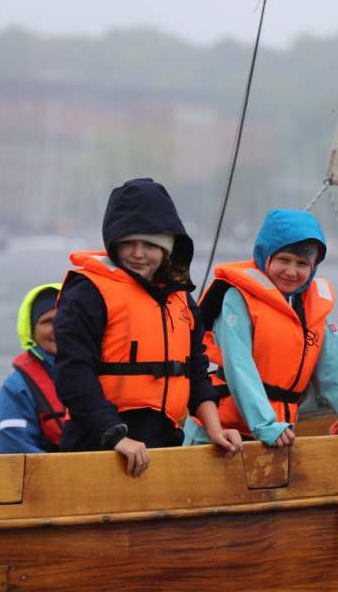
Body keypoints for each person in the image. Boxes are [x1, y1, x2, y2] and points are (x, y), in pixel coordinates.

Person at [54, 177, 242, 477]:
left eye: (150, 244)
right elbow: (72, 372)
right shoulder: (87, 292)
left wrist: (216, 429)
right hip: (98, 445)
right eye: (128, 242)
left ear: (167, 248)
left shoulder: (181, 299)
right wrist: (116, 437)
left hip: (163, 444)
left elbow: (195, 370)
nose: (138, 253)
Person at [185, 208, 338, 447]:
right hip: (220, 434)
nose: (291, 271)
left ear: (313, 268)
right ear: (265, 256)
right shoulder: (237, 298)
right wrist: (267, 425)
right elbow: (239, 366)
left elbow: (337, 373)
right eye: (283, 260)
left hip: (275, 435)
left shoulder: (313, 309)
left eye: (302, 263)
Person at [0, 283, 67, 453]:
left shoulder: (105, 371)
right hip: (51, 475)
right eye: (47, 321)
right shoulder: (17, 387)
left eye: (65, 318)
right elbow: (12, 446)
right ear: (31, 331)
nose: (57, 328)